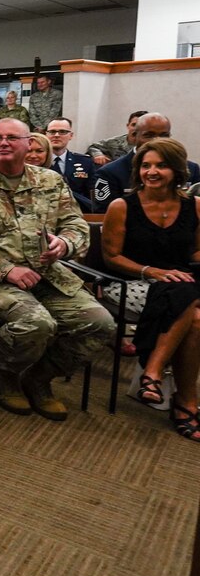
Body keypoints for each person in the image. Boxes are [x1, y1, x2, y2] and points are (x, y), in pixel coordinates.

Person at [0, 119, 115, 421]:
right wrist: (5, 269)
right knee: (37, 324)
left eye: (12, 137)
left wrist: (65, 244)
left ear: (28, 143)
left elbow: (75, 224)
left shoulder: (50, 181)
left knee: (99, 323)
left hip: (49, 274)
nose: (4, 143)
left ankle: (38, 377)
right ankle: (6, 376)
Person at [102, 138, 199, 442]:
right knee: (193, 313)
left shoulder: (194, 206)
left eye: (161, 165)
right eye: (146, 166)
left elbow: (196, 254)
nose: (151, 172)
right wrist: (152, 271)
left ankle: (152, 375)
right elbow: (112, 257)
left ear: (177, 170)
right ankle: (186, 402)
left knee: (188, 301)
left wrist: (180, 272)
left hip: (182, 281)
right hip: (131, 282)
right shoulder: (122, 206)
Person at [92, 113, 200, 212]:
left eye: (164, 135)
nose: (156, 140)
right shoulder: (110, 173)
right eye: (149, 135)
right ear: (134, 136)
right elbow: (104, 215)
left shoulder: (190, 168)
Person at [46, 118, 96, 212]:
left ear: (71, 135)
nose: (56, 135)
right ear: (46, 134)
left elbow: (92, 193)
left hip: (80, 213)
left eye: (62, 132)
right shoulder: (37, 162)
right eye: (52, 132)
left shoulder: (85, 162)